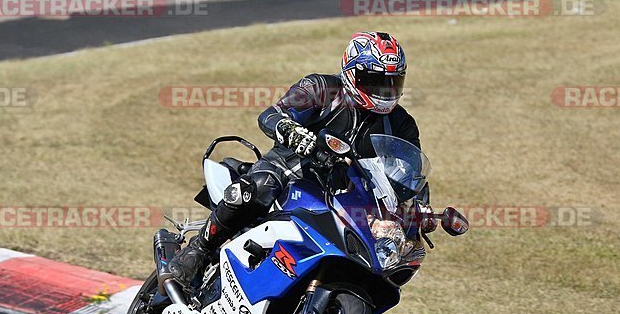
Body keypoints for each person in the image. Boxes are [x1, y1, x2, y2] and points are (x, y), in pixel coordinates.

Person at [168, 31, 434, 287]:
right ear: (351, 73)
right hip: (290, 169)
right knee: (256, 187)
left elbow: (411, 173)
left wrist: (420, 210)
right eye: (376, 81)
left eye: (393, 82)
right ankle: (197, 251)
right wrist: (290, 130)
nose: (385, 90)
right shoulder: (320, 88)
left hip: (348, 196)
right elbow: (270, 115)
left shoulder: (401, 123)